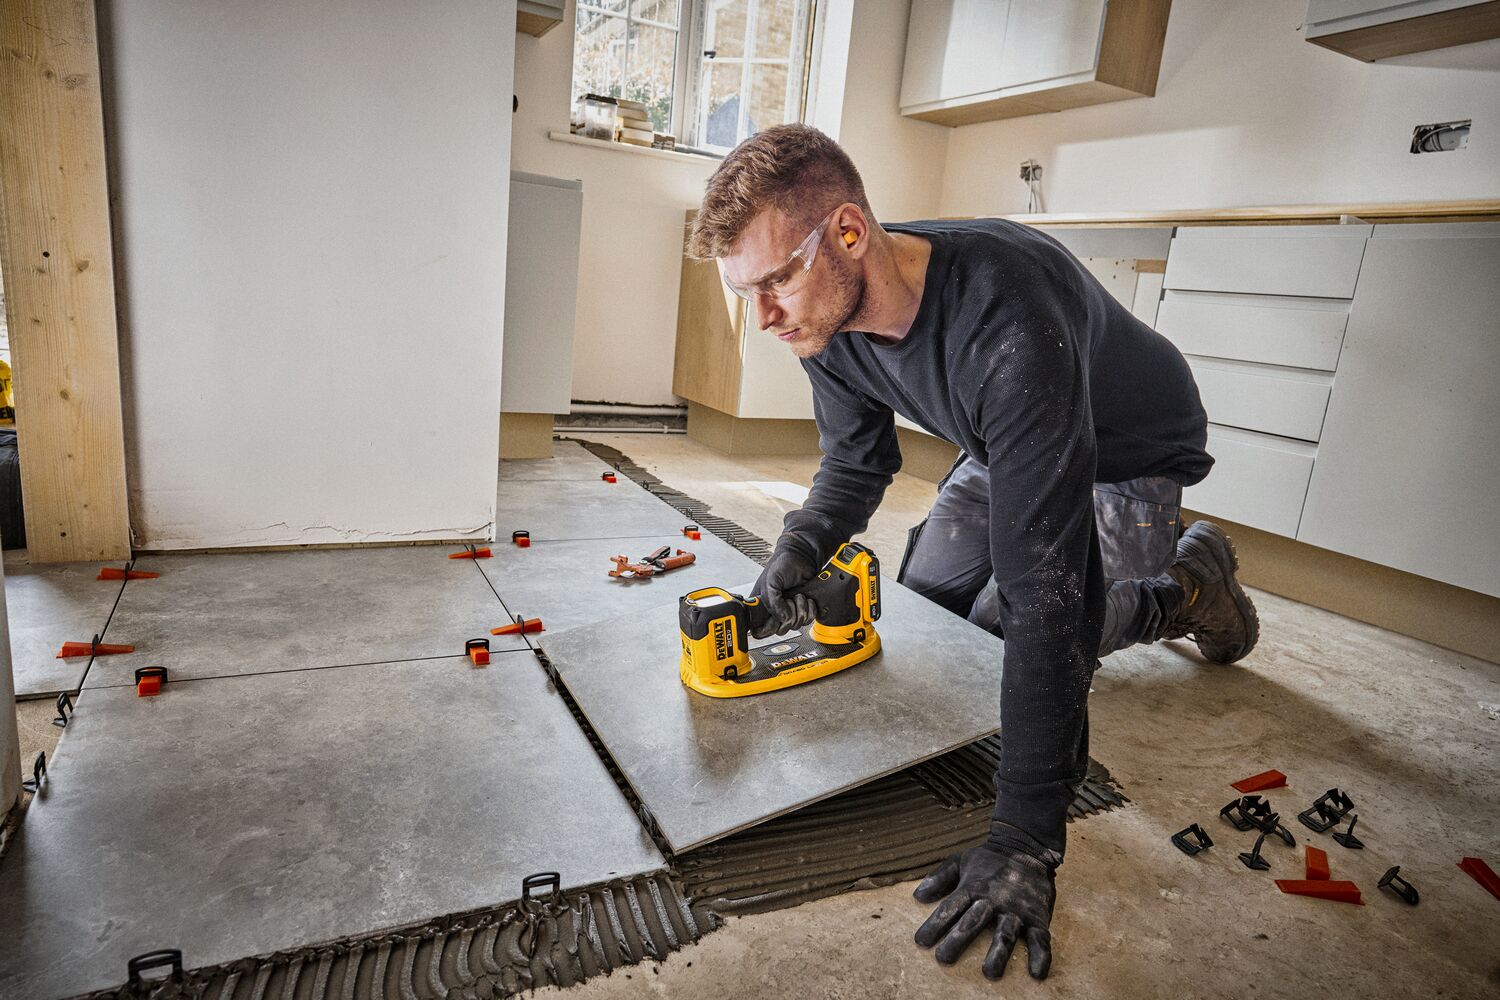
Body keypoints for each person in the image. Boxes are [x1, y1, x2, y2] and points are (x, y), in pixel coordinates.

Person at [685, 124, 1259, 982]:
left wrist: (1025, 839)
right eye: (746, 291)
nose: (764, 316)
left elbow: (1047, 599)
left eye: (775, 282)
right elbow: (856, 460)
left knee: (1027, 626)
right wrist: (796, 551)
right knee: (936, 619)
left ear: (849, 232)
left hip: (1128, 451)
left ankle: (1190, 587)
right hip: (1007, 437)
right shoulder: (824, 318)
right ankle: (1164, 584)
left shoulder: (1006, 316)